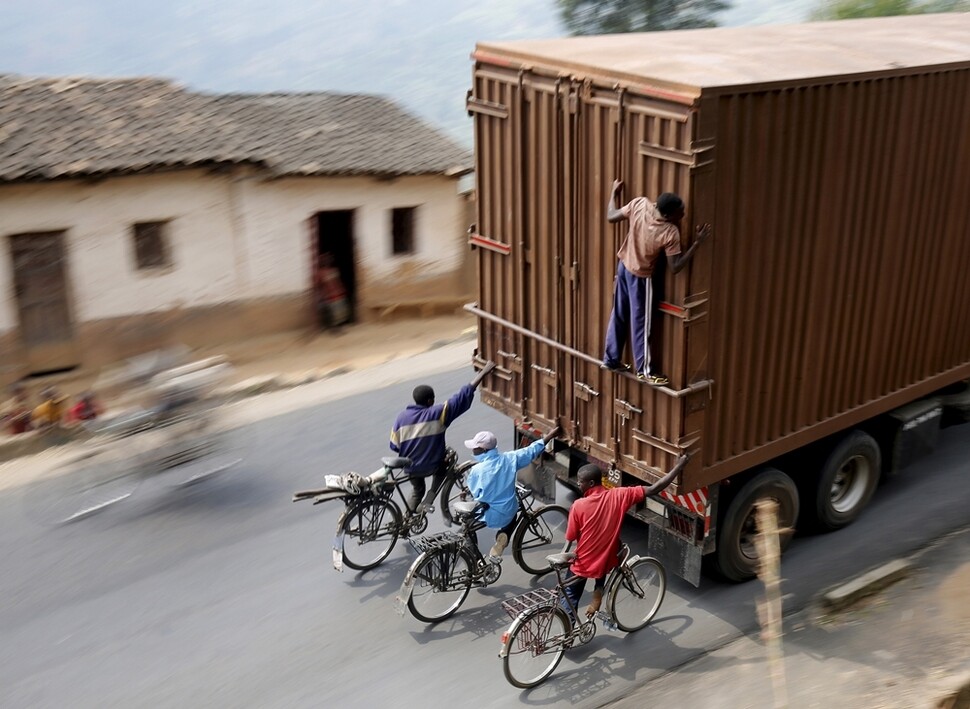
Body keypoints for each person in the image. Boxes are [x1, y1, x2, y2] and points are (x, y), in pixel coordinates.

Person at [602, 179, 712, 385]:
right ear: (669, 215)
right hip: (641, 279)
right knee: (640, 324)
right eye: (681, 212)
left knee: (618, 314)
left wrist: (612, 194)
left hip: (623, 268)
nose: (684, 215)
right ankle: (645, 371)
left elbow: (610, 216)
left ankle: (611, 359)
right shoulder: (670, 232)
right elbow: (676, 267)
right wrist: (697, 243)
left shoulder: (640, 204)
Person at [563, 455, 689, 620]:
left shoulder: (578, 505)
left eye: (580, 481)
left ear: (591, 484)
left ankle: (567, 633)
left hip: (583, 563)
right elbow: (654, 489)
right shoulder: (620, 495)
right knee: (610, 550)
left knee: (569, 598)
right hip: (605, 559)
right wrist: (679, 467)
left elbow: (571, 536)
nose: (578, 484)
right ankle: (598, 591)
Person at [390, 361, 496, 515]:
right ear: (430, 401)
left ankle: (407, 518)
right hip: (431, 465)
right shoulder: (438, 414)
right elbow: (462, 396)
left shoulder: (401, 418)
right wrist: (484, 372)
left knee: (417, 489)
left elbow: (394, 446)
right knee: (443, 469)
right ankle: (428, 501)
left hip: (410, 468)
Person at [464, 425, 561, 565]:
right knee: (513, 514)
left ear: (484, 450)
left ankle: (475, 563)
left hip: (487, 514)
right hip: (507, 512)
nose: (473, 450)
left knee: (466, 526)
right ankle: (502, 540)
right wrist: (551, 435)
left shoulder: (476, 470)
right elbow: (531, 450)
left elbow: (475, 492)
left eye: (475, 448)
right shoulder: (510, 459)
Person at [316, 254, 350, 331]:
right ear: (322, 262)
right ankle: (334, 328)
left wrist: (342, 290)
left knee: (341, 311)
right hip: (329, 295)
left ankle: (339, 326)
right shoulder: (320, 273)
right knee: (333, 312)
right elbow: (319, 286)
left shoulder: (334, 270)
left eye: (328, 260)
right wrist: (321, 295)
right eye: (325, 260)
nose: (327, 261)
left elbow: (338, 281)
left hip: (338, 293)